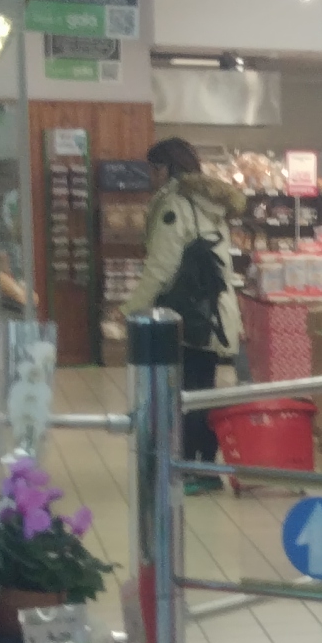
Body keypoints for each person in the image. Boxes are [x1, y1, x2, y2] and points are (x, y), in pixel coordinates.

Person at [128, 137, 240, 462]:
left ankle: (189, 464)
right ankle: (204, 463)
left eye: (153, 169)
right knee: (201, 389)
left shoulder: (174, 206)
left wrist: (132, 309)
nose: (151, 176)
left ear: (165, 169)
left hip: (186, 316)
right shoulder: (210, 205)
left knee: (184, 392)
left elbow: (160, 267)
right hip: (213, 312)